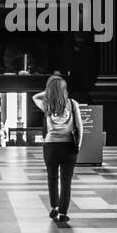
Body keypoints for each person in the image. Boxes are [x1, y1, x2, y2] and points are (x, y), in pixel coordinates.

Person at [32, 75, 83, 225]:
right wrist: (78, 146)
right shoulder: (73, 104)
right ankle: (63, 213)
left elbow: (35, 97)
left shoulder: (47, 105)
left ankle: (54, 206)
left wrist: (49, 91)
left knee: (52, 178)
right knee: (66, 181)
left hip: (50, 146)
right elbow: (80, 127)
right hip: (68, 146)